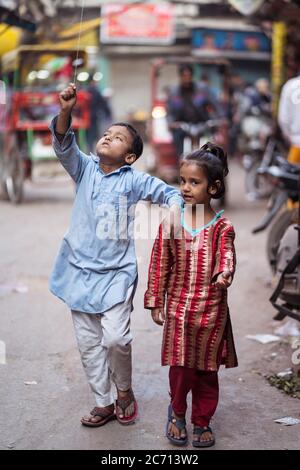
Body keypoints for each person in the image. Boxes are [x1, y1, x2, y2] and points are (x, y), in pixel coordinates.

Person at [49, 83, 182, 427]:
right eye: (106, 133)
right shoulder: (84, 168)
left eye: (118, 138)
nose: (107, 137)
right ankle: (103, 402)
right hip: (78, 270)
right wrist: (66, 110)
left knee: (116, 338)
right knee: (89, 344)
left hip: (117, 274)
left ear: (130, 157)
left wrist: (174, 210)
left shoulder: (134, 180)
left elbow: (168, 193)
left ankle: (124, 391)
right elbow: (64, 143)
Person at [144, 142, 237, 447]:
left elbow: (226, 255)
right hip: (179, 309)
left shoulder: (222, 226)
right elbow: (160, 261)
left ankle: (202, 420)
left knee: (206, 370)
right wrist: (156, 299)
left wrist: (224, 273)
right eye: (182, 180)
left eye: (194, 182)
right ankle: (178, 412)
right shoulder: (172, 221)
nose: (185, 188)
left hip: (211, 310)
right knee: (181, 368)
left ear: (214, 187)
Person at [167, 64, 221, 159]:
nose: (187, 78)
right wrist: (171, 123)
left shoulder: (202, 89)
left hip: (202, 123)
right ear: (180, 76)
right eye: (184, 76)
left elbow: (215, 104)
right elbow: (170, 112)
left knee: (213, 138)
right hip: (182, 124)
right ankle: (181, 160)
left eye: (189, 76)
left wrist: (220, 118)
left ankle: (211, 161)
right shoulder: (174, 92)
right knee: (176, 136)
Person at [278, 55, 300, 164]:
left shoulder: (290, 86)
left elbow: (283, 119)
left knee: (293, 178)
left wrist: (290, 137)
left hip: (297, 144)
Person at [86, 78, 112, 153]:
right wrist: (107, 114)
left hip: (85, 118)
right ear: (92, 82)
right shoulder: (96, 91)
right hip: (94, 117)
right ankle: (95, 151)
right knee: (94, 135)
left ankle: (89, 151)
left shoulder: (85, 91)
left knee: (88, 136)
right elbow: (103, 103)